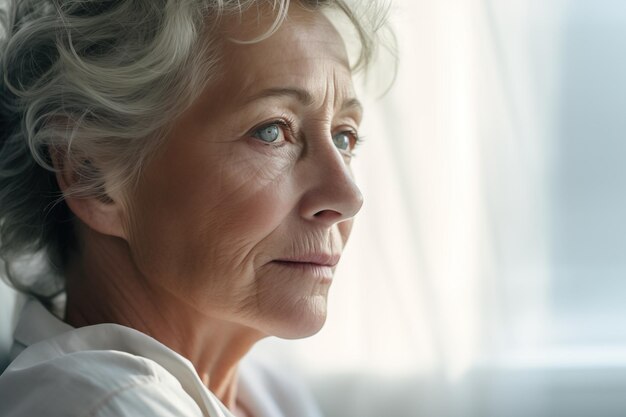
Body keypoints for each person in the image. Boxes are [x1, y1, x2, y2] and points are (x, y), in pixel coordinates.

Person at [0, 0, 387, 416]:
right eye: (272, 131)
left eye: (344, 137)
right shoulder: (104, 404)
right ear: (90, 175)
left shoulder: (270, 393)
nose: (348, 197)